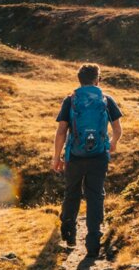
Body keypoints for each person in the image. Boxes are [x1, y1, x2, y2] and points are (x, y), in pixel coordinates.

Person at [52, 63, 123, 258]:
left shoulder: (71, 100)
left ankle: (69, 235)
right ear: (97, 79)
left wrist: (56, 158)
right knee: (95, 196)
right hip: (99, 156)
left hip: (74, 157)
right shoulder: (106, 100)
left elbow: (61, 132)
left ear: (79, 80)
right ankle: (93, 243)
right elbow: (117, 130)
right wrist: (112, 143)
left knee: (72, 193)